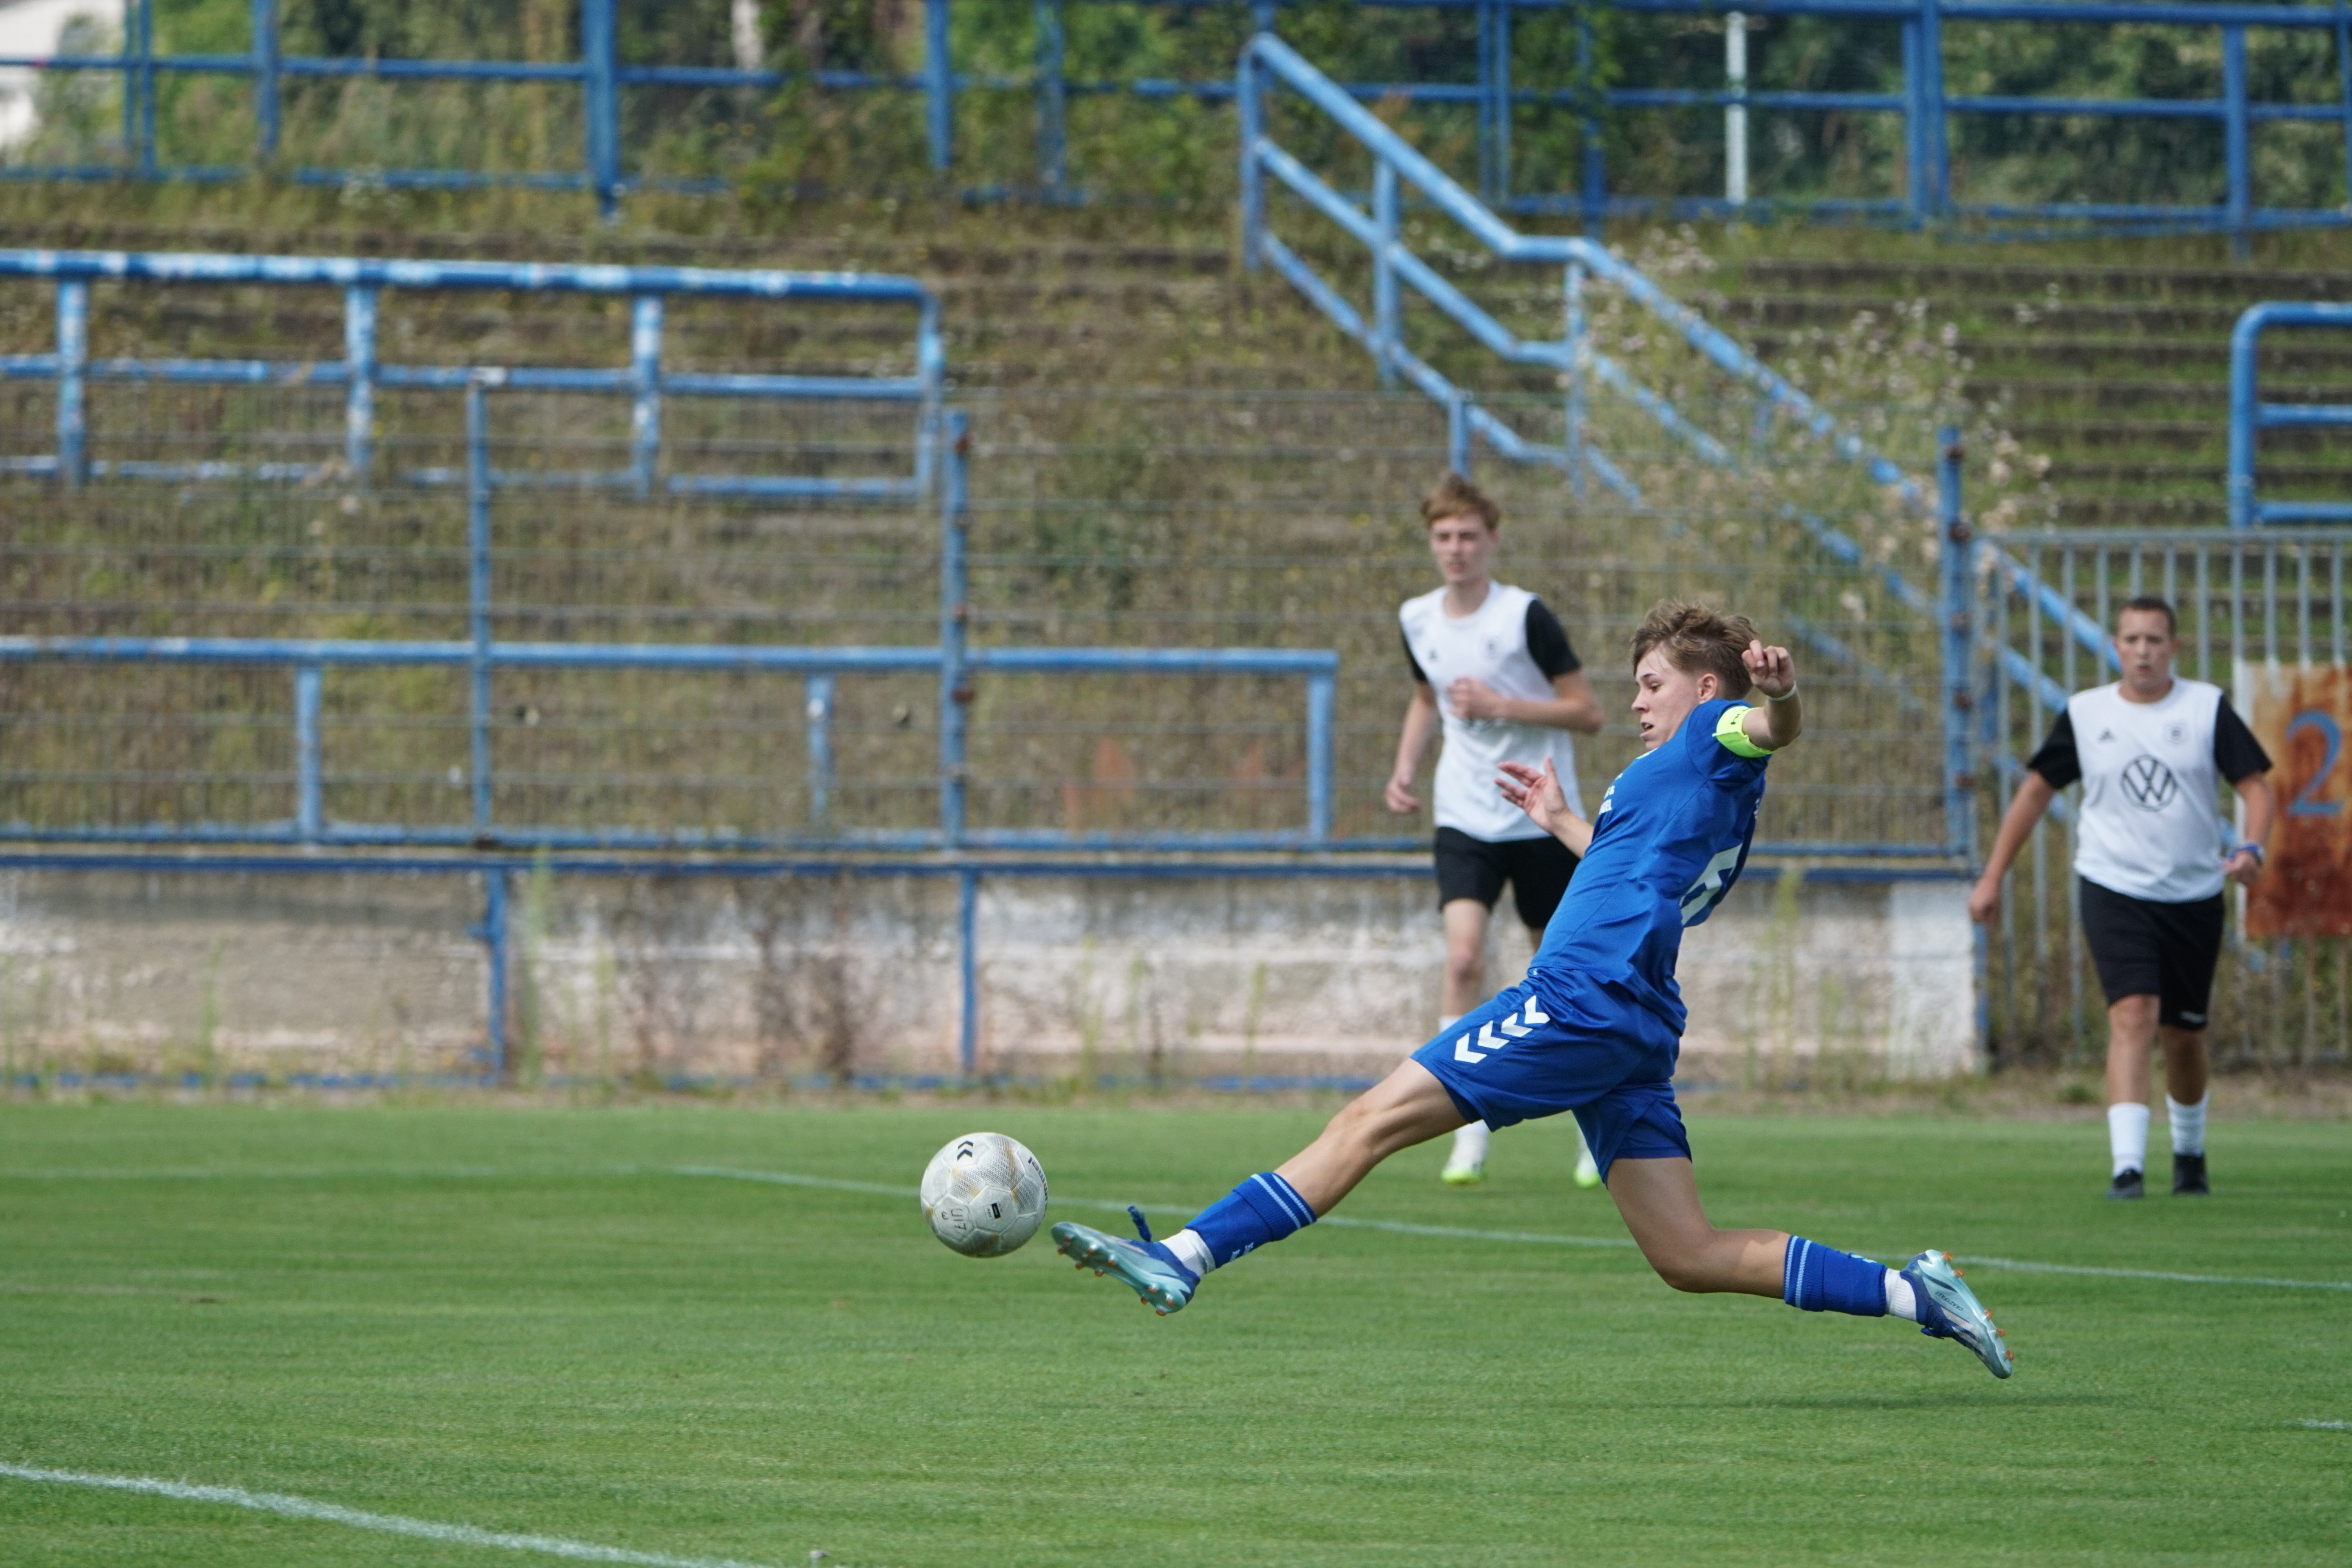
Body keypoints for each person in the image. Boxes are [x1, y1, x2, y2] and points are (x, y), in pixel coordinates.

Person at [1054, 602, 2015, 1381]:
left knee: (1370, 1119)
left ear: (1707, 685)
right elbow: (1632, 872)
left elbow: (1772, 727)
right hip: (1634, 1021)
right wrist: (1559, 817)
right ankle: (1914, 1292)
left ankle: (1183, 1255)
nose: (1638, 699)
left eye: (1651, 682)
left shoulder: (1717, 736)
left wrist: (1785, 693)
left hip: (1580, 998)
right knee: (1687, 1253)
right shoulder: (1673, 786)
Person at [1969, 594, 2273, 1200]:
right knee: (2133, 1013)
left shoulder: (2205, 707)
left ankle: (2189, 1155)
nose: (2143, 651)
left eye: (2154, 640)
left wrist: (2252, 848)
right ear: (2115, 647)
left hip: (2193, 892)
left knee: (2184, 1033)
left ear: (2174, 648)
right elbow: (2035, 794)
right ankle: (2127, 1169)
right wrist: (1993, 874)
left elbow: (2255, 787)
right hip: (2114, 886)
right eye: (2131, 639)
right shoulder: (2086, 714)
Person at [1383, 471, 1606, 1188]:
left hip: (1538, 813)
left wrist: (1501, 703)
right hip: (1463, 815)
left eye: (1468, 537)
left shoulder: (1524, 616)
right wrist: (1405, 767)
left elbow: (1587, 711)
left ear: (1493, 541)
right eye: (1443, 537)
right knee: (1462, 962)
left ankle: (1593, 1129)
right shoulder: (1417, 616)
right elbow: (1427, 699)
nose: (1455, 549)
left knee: (1563, 978)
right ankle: (1467, 1132)